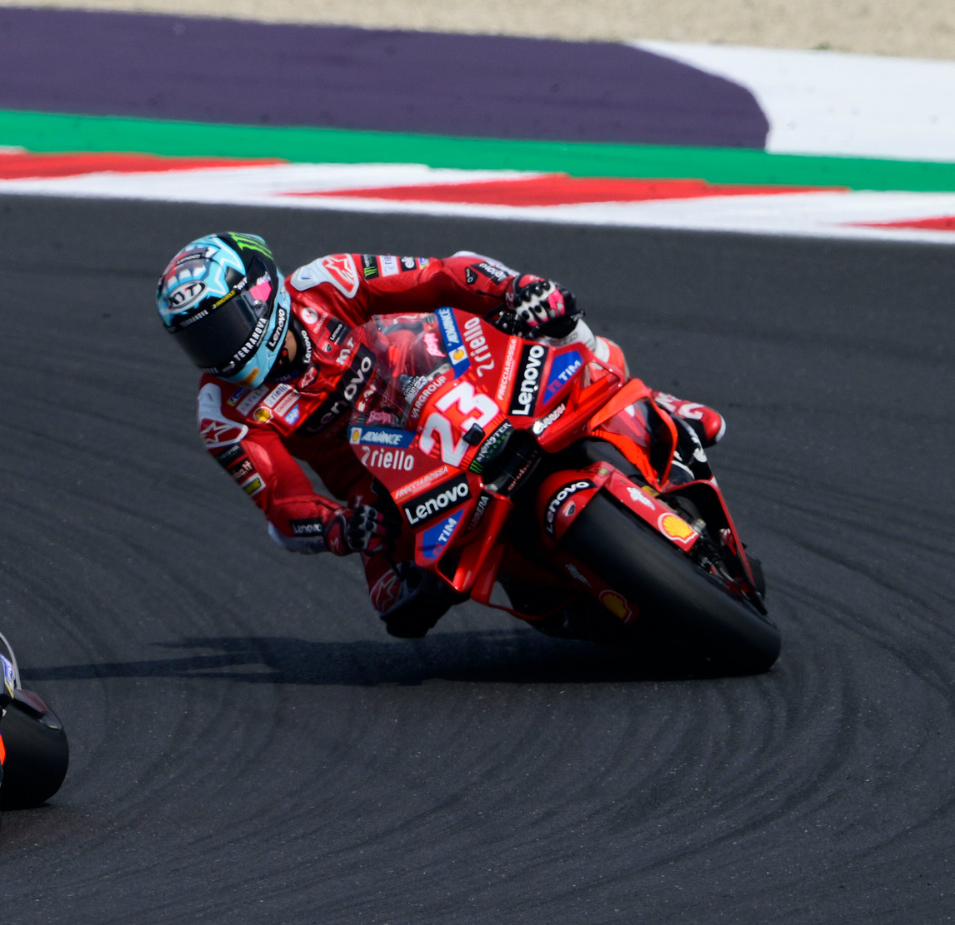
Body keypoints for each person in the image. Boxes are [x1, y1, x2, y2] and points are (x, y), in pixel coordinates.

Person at [156, 233, 725, 638]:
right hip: (381, 487)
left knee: (527, 302)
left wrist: (516, 292)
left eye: (219, 326)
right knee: (398, 609)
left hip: (436, 376)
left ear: (261, 297)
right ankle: (542, 588)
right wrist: (336, 526)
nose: (214, 350)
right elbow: (281, 505)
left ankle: (629, 389)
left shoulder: (326, 282)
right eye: (196, 340)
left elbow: (436, 277)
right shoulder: (223, 413)